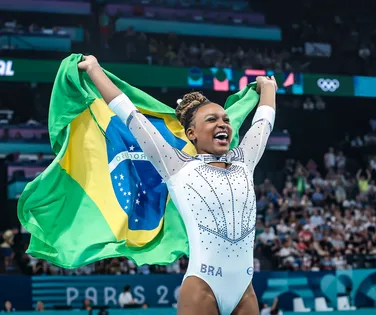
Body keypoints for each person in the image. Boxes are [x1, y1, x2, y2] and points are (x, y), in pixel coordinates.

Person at [78, 55, 277, 315]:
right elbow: (131, 116)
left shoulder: (244, 161)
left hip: (244, 289)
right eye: (212, 120)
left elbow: (263, 124)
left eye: (226, 120)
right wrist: (94, 69)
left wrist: (269, 88)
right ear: (191, 133)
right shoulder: (177, 165)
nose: (223, 124)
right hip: (202, 287)